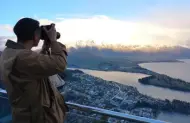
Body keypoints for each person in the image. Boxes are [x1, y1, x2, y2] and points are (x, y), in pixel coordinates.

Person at [0, 18, 68, 123]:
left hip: (23, 114)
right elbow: (60, 64)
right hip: (37, 117)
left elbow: (34, 67)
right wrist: (54, 41)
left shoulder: (9, 53)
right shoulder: (23, 57)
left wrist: (45, 48)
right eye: (39, 33)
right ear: (35, 36)